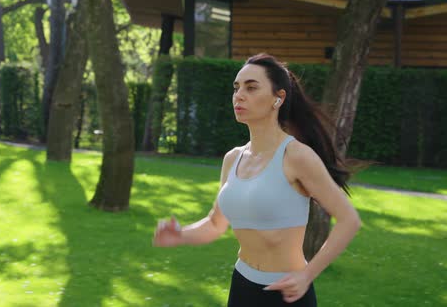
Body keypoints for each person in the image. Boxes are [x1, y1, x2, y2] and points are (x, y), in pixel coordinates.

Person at [153, 53, 361, 306]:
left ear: (278, 98)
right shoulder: (233, 158)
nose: (239, 95)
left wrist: (307, 274)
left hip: (287, 293)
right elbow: (215, 224)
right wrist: (180, 235)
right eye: (237, 87)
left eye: (251, 87)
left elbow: (349, 220)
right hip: (242, 286)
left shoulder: (296, 156)